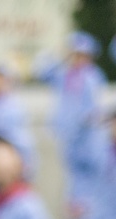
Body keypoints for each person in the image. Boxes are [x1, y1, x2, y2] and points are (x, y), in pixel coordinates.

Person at [36, 33, 107, 187]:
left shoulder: (92, 75)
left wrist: (87, 120)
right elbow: (42, 72)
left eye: (82, 55)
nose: (78, 59)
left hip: (87, 133)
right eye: (75, 54)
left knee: (91, 173)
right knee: (72, 174)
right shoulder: (63, 74)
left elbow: (93, 104)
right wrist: (58, 56)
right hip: (68, 133)